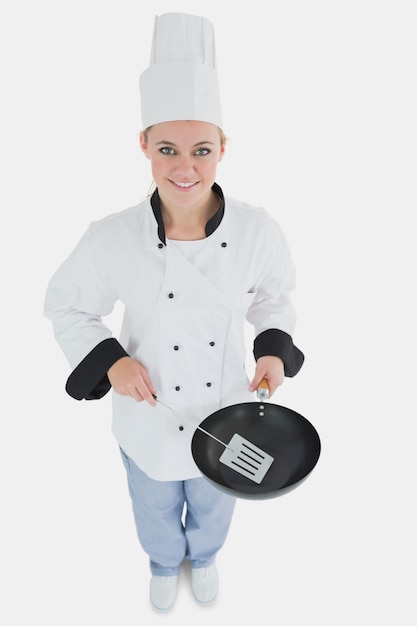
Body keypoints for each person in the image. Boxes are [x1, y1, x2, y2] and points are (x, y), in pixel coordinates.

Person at [44, 12, 304, 612]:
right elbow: (66, 304)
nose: (184, 167)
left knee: (217, 499)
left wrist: (270, 350)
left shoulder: (259, 230)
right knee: (152, 500)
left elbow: (276, 297)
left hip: (228, 406)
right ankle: (164, 562)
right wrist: (111, 362)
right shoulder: (110, 237)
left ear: (222, 149)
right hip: (148, 414)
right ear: (143, 146)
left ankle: (206, 556)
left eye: (201, 150)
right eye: (167, 149)